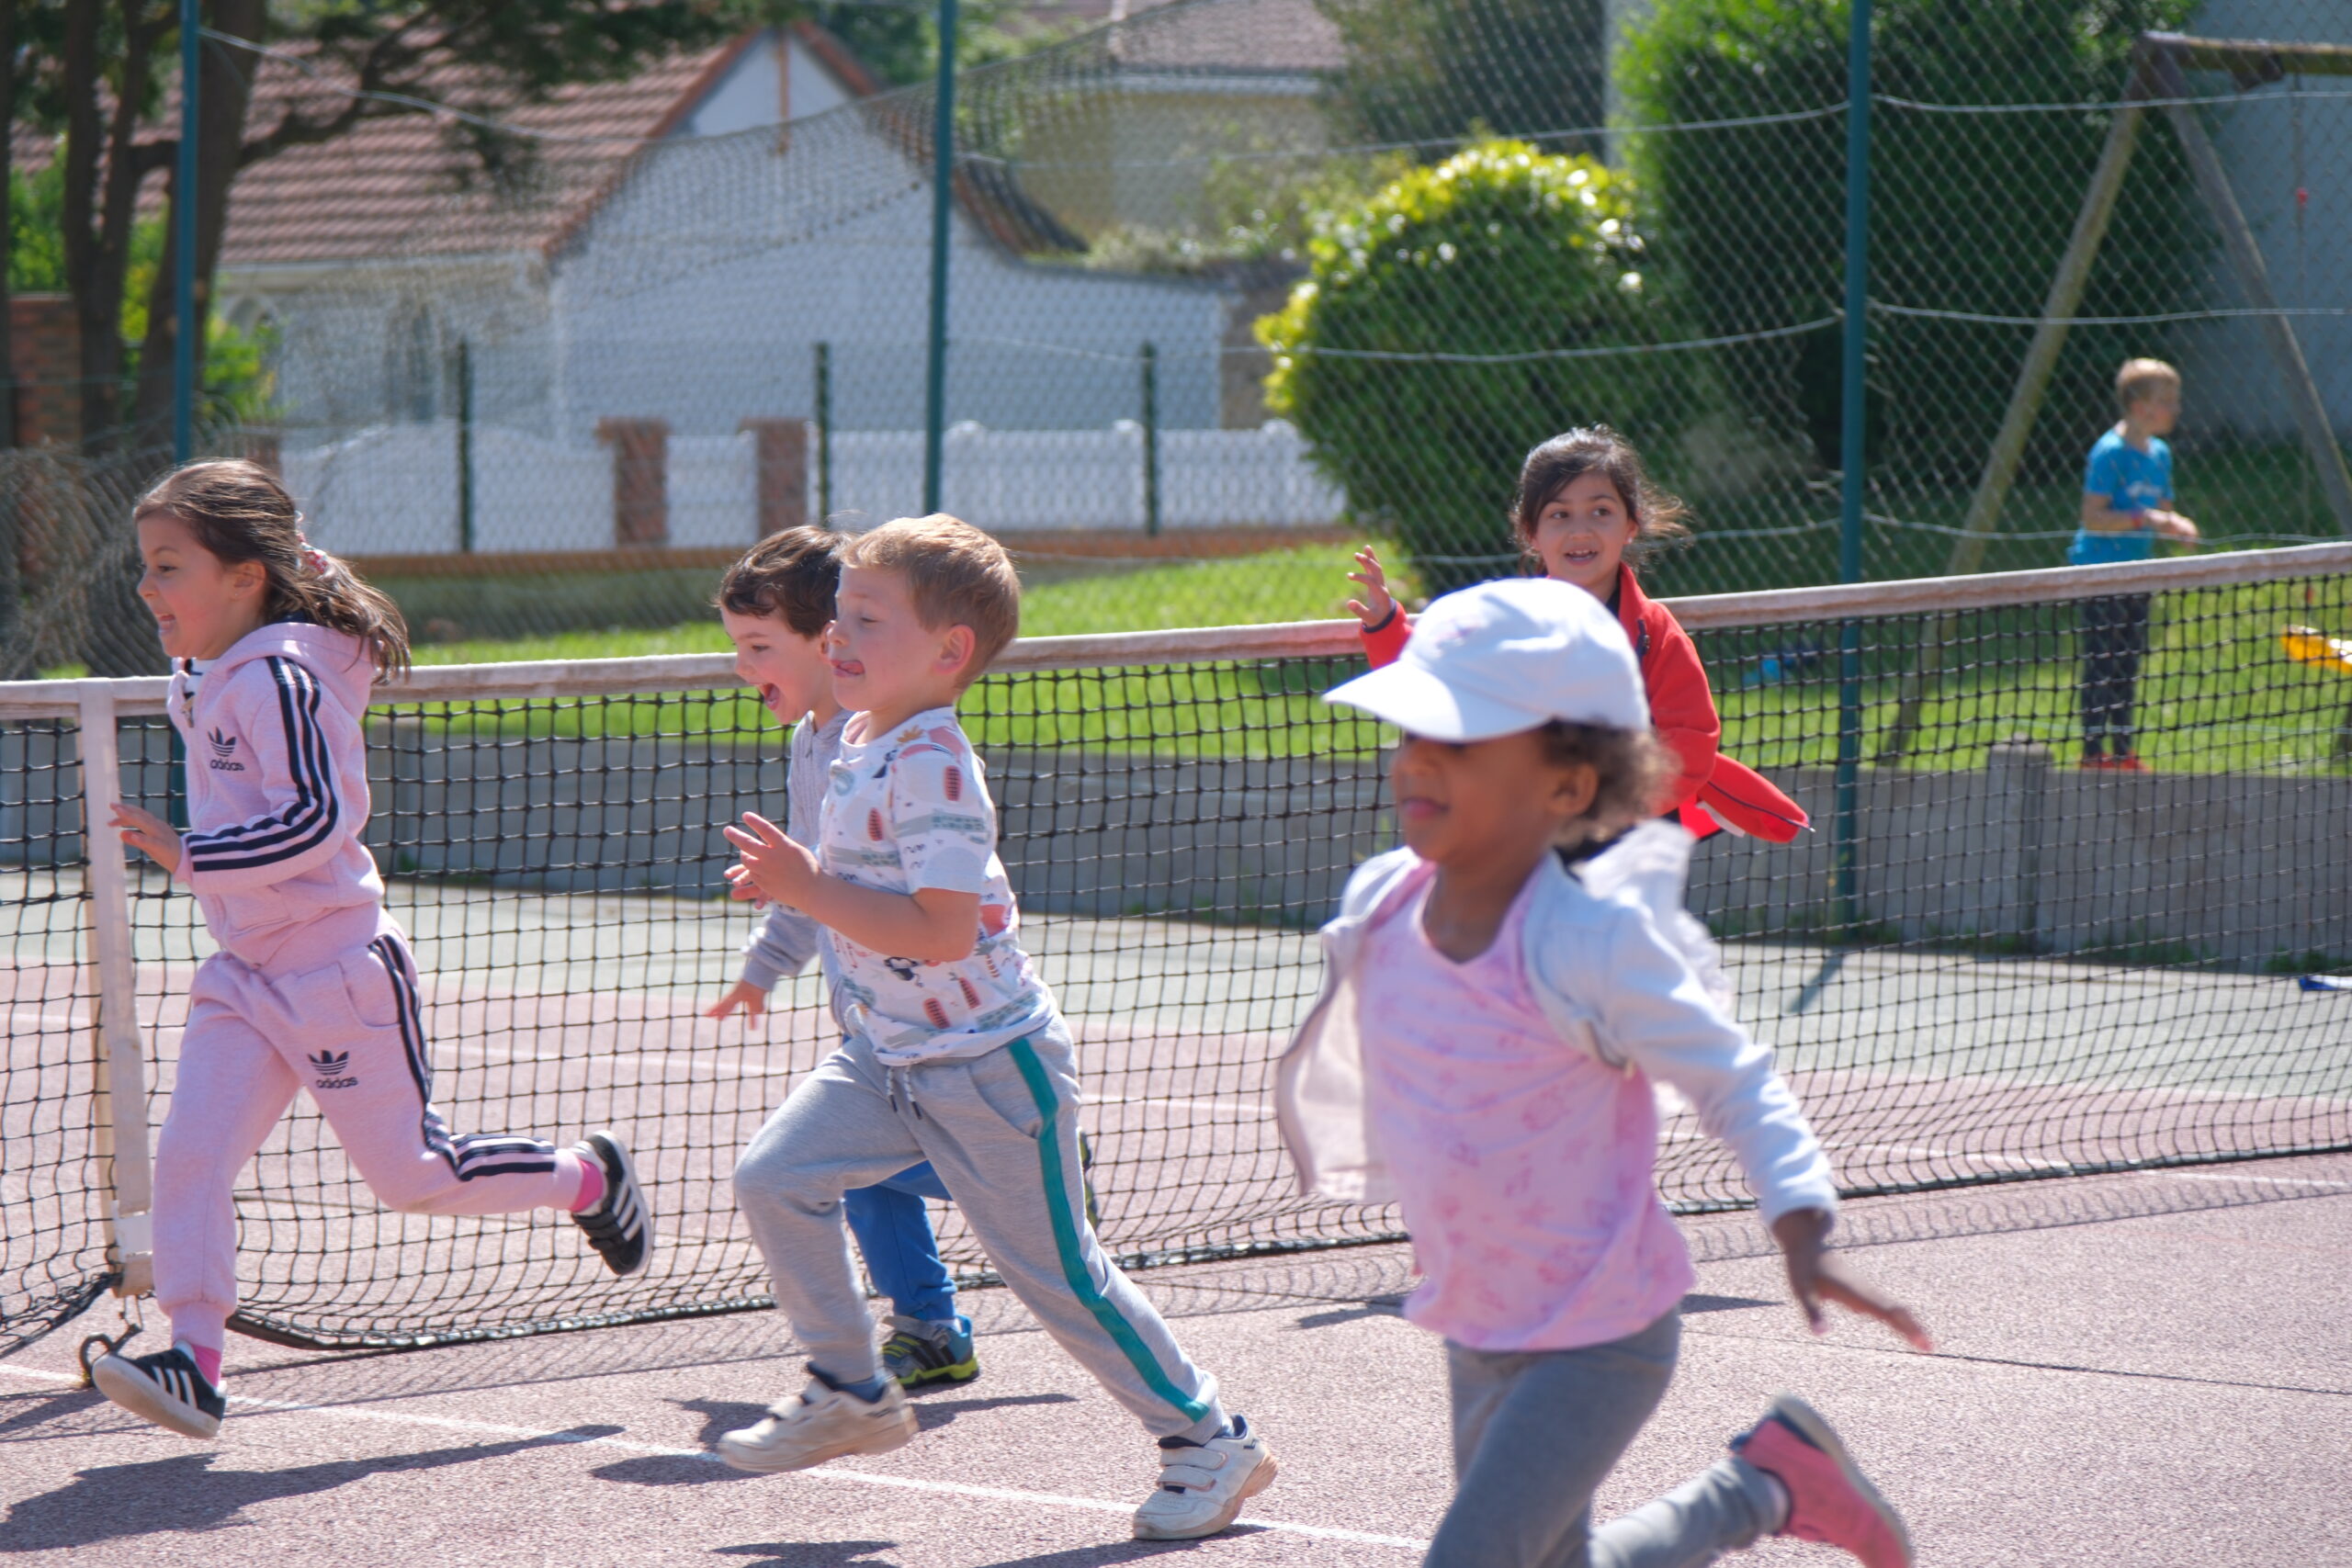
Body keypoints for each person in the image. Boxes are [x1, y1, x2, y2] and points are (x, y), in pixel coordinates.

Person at [1281, 577, 1931, 1568]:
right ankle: (1763, 1486)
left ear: (1568, 787)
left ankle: (1762, 1486)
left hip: (1601, 1335)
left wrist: (1801, 1220)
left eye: (1458, 741)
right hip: (1476, 1321)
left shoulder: (1588, 942)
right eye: (1409, 731)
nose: (1414, 760)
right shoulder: (1380, 899)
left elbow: (1735, 1078)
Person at [716, 514, 1273, 1540]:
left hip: (987, 1069)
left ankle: (1208, 1436)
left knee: (1060, 1283)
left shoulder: (933, 762)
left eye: (865, 619)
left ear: (948, 652)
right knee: (773, 1177)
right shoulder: (852, 738)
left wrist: (809, 887)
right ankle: (849, 1385)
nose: (837, 635)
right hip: (886, 1060)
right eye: (836, 614)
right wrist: (798, 908)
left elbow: (937, 929)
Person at [91, 459, 650, 1439]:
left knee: (412, 1177)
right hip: (244, 976)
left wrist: (191, 852)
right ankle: (195, 1363)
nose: (146, 589)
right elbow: (216, 693)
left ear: (243, 577)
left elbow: (316, 821)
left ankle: (587, 1177)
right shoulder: (221, 668)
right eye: (145, 566)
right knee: (188, 1159)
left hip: (335, 973)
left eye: (168, 566)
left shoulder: (284, 678)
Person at [704, 526, 978, 1390]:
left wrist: (800, 903)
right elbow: (809, 884)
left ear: (831, 643)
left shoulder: (895, 749)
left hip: (934, 1013)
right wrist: (764, 964)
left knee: (854, 1160)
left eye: (759, 646)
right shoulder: (811, 747)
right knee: (862, 1177)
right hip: (867, 1014)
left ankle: (1032, 1159)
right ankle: (931, 1326)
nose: (744, 667)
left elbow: (881, 891)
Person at [1346, 425, 1804, 841]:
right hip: (1527, 834)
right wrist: (1385, 624)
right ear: (1531, 532)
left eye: (1600, 511)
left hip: (1630, 832)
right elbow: (1431, 687)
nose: (1580, 530)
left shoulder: (1657, 631)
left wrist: (1615, 810)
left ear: (1630, 525)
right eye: (1559, 515)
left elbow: (1691, 738)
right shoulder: (1506, 619)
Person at [2072, 357, 2200, 771]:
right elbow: (2093, 517)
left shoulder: (2160, 454)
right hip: (2098, 574)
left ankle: (2123, 750)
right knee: (2101, 663)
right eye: (2167, 401)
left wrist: (2178, 527)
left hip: (2137, 575)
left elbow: (2163, 510)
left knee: (2128, 662)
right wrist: (2143, 519)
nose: (2175, 409)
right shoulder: (2109, 453)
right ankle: (2093, 753)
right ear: (2140, 405)